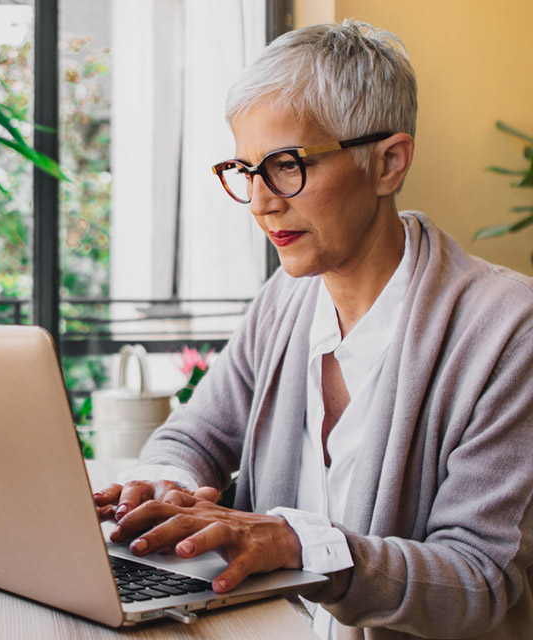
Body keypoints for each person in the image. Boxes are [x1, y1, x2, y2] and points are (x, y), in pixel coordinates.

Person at [92, 20, 533, 640]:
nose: (261, 202)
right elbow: (196, 434)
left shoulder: (509, 331)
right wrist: (171, 485)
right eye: (246, 170)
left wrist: (306, 546)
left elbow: (482, 579)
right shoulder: (285, 298)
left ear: (388, 163)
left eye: (287, 165)